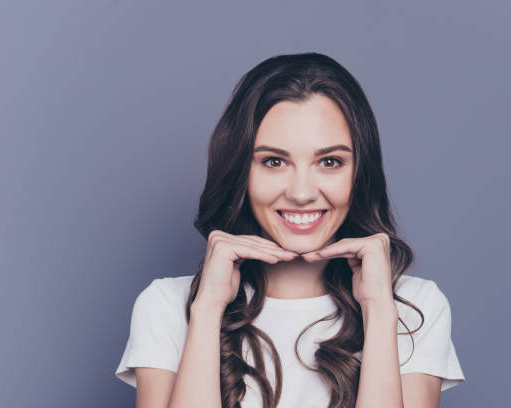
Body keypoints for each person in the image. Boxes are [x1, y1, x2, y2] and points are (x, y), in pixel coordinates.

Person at [115, 52, 465, 407]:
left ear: (360, 172)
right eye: (274, 161)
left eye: (329, 162)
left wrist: (377, 308)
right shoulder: (168, 306)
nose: (301, 193)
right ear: (241, 171)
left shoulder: (414, 307)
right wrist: (208, 309)